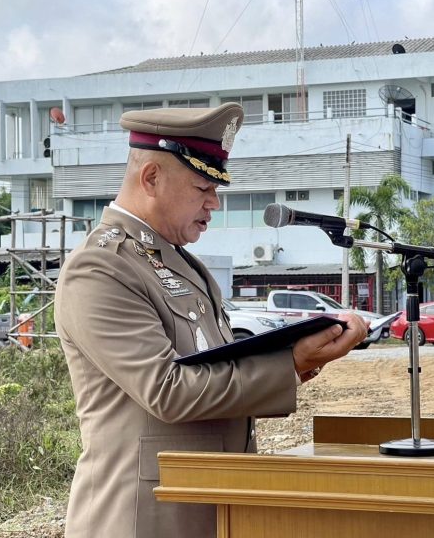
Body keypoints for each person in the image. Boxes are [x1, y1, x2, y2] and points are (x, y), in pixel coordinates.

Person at [54, 102, 369, 538]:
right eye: (203, 186)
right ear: (151, 179)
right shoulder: (101, 268)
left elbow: (214, 364)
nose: (214, 203)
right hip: (143, 515)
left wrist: (290, 352)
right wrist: (287, 364)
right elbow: (166, 391)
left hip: (204, 499)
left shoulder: (182, 264)